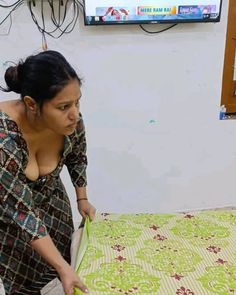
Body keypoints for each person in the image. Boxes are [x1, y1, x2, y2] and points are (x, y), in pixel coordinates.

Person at [0, 50, 96, 295]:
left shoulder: (71, 120)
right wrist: (63, 267)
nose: (74, 113)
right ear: (32, 104)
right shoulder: (4, 138)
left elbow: (77, 157)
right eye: (64, 106)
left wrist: (82, 199)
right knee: (27, 288)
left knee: (63, 276)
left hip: (57, 214)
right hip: (15, 231)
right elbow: (22, 213)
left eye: (77, 102)